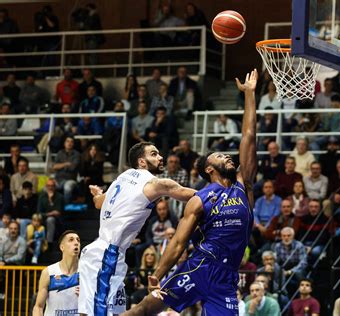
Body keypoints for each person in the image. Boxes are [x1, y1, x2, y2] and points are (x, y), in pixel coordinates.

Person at [122, 69, 258, 315]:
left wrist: (249, 94)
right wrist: (157, 276)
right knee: (145, 309)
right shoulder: (199, 199)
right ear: (208, 168)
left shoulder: (243, 184)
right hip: (201, 267)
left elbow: (249, 136)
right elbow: (177, 244)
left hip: (226, 279)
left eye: (227, 155)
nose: (227, 156)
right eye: (219, 156)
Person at [77, 141, 196, 315]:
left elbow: (98, 203)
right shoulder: (153, 183)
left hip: (107, 253)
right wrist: (221, 194)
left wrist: (98, 194)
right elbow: (195, 196)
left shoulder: (122, 178)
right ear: (141, 162)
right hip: (106, 256)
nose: (160, 157)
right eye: (154, 154)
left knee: (115, 312)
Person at [33, 230, 81, 316]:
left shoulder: (86, 272)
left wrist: (87, 297)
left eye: (78, 240)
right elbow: (38, 307)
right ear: (62, 247)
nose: (76, 242)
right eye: (71, 240)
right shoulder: (49, 272)